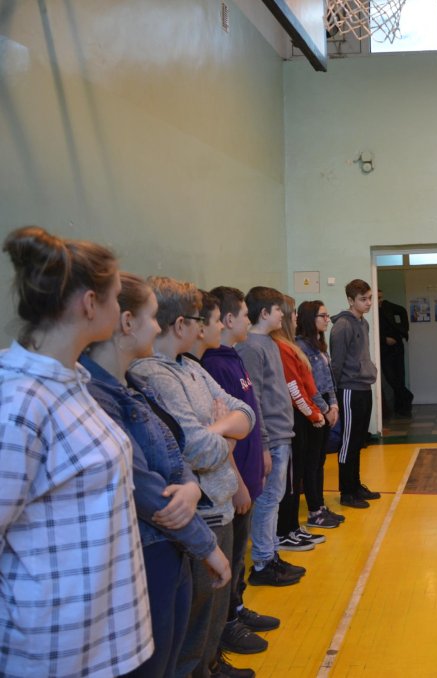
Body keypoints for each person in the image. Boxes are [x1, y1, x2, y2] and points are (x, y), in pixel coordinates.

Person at [0, 227, 152, 676]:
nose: (119, 309)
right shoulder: (19, 401)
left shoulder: (71, 383)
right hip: (55, 645)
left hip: (104, 635)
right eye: (115, 297)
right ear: (89, 304)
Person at [81, 273, 233, 677]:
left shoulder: (134, 386)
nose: (156, 326)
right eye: (151, 317)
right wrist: (205, 544)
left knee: (170, 655)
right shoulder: (97, 395)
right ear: (127, 323)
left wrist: (190, 485)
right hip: (148, 548)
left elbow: (173, 448)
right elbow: (145, 486)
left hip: (170, 547)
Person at [128, 277, 256, 677]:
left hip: (220, 502)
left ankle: (212, 665)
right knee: (194, 626)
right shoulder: (154, 375)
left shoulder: (193, 368)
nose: (205, 328)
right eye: (201, 320)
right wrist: (227, 438)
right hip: (202, 512)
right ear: (182, 325)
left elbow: (245, 413)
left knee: (211, 618)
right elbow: (196, 450)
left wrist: (217, 430)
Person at [201, 286, 283, 655]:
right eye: (244, 315)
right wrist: (237, 482)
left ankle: (236, 608)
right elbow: (222, 429)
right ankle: (227, 624)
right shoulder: (214, 365)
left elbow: (249, 411)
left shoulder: (232, 356)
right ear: (229, 319)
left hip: (247, 472)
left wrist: (262, 448)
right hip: (234, 481)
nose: (248, 321)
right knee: (231, 555)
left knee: (237, 556)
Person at [235, 286, 305, 587]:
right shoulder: (251, 347)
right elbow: (255, 400)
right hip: (271, 436)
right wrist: (263, 442)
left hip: (281, 432)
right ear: (264, 313)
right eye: (278, 310)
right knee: (267, 500)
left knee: (275, 498)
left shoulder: (270, 343)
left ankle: (271, 553)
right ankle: (263, 562)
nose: (283, 316)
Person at [272, 295, 329, 550]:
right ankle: (285, 530)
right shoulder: (282, 347)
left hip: (303, 415)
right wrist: (315, 414)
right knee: (290, 479)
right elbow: (294, 387)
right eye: (292, 312)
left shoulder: (289, 346)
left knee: (296, 477)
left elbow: (309, 383)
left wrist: (319, 410)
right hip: (292, 418)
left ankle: (292, 526)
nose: (295, 317)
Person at [330, 279, 382, 509]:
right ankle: (347, 491)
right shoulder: (342, 326)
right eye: (363, 299)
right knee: (348, 441)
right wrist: (333, 396)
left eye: (370, 298)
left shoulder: (364, 323)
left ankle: (356, 485)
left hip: (363, 387)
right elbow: (337, 364)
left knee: (359, 439)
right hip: (349, 389)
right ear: (351, 300)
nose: (368, 303)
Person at [296, 300, 343, 529]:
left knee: (321, 460)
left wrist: (333, 405)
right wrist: (324, 409)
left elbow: (328, 380)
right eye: (322, 316)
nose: (327, 320)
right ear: (309, 318)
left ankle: (320, 506)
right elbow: (308, 386)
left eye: (327, 315)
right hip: (313, 409)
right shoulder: (301, 347)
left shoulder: (319, 345)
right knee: (312, 461)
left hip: (325, 404)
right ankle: (314, 511)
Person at [378, 289, 414, 417]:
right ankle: (407, 396)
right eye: (377, 298)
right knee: (391, 377)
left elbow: (402, 311)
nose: (380, 300)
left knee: (399, 377)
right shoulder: (370, 311)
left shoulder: (387, 306)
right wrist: (384, 340)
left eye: (381, 297)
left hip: (397, 347)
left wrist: (403, 330)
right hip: (383, 349)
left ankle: (402, 407)